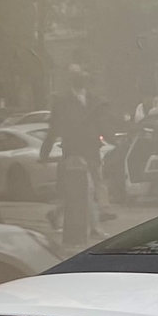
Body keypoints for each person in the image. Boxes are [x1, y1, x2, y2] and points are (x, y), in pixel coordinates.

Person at [41, 63, 102, 249]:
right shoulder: (62, 101)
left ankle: (57, 214)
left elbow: (99, 123)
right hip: (74, 152)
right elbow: (54, 128)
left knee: (83, 190)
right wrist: (45, 151)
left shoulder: (91, 99)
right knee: (87, 188)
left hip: (91, 151)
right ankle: (95, 226)